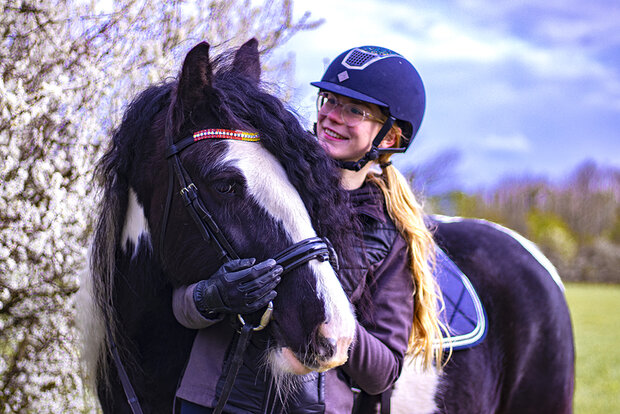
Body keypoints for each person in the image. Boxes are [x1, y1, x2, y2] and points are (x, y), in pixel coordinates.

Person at [171, 45, 444, 414]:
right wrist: (214, 295)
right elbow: (179, 304)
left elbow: (383, 373)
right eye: (328, 100)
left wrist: (331, 317)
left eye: (354, 110)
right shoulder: (256, 187)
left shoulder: (388, 234)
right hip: (213, 401)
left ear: (391, 137)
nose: (332, 116)